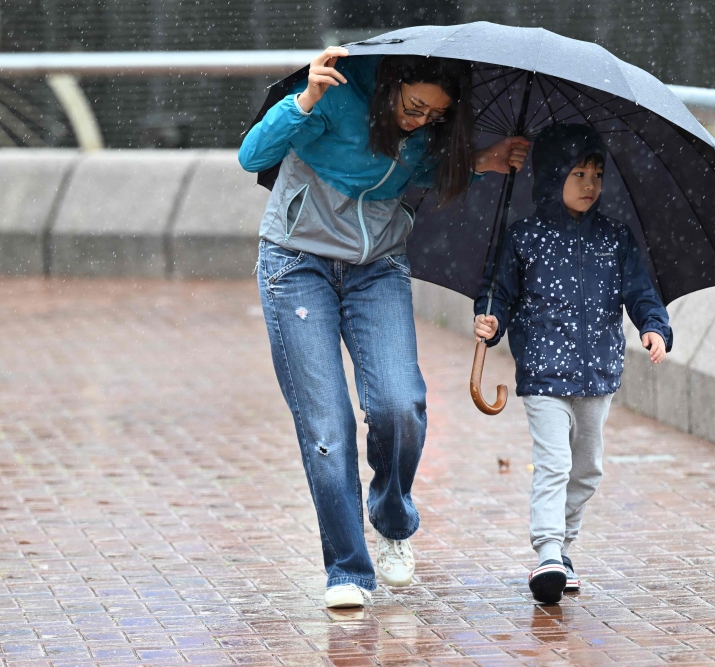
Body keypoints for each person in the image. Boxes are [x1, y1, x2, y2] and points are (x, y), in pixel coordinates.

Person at [239, 47, 529, 609]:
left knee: (401, 406)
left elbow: (412, 170)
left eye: (435, 116)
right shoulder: (335, 96)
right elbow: (254, 156)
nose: (420, 122)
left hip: (377, 270)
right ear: (392, 81)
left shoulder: (425, 130)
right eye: (415, 107)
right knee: (328, 426)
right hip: (296, 265)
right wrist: (303, 102)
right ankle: (347, 569)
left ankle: (392, 517)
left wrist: (480, 159)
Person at [473, 124, 672, 604]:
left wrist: (654, 327)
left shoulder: (614, 238)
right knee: (555, 463)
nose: (589, 184)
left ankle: (563, 547)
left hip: (598, 374)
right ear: (551, 177)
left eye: (597, 174)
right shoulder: (523, 237)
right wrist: (491, 320)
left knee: (587, 469)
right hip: (543, 374)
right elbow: (498, 293)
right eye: (578, 173)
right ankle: (546, 551)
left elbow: (641, 292)